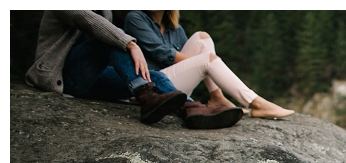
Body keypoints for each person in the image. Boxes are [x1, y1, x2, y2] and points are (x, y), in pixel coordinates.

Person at [26, 10, 242, 129]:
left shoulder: (104, 9)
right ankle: (144, 94)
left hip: (92, 81)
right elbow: (90, 22)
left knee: (155, 75)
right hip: (61, 75)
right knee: (112, 37)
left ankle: (190, 109)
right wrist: (131, 44)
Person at [124, 11, 294, 119]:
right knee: (207, 58)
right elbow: (161, 53)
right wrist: (207, 62)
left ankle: (216, 97)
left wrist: (207, 61)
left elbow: (190, 61)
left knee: (202, 37)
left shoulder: (175, 29)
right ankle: (256, 103)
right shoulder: (136, 17)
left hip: (174, 88)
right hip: (152, 89)